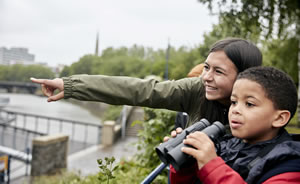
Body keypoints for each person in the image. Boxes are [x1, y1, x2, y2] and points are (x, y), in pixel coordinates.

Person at [31, 38, 262, 126]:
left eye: (218, 72)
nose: (206, 77)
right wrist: (71, 86)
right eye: (206, 67)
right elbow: (140, 90)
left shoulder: (262, 113)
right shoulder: (197, 89)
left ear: (244, 76)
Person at [170, 66, 300, 184]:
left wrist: (212, 166)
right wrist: (186, 164)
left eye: (249, 104)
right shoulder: (226, 146)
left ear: (279, 118)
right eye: (233, 102)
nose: (235, 110)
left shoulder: (289, 166)